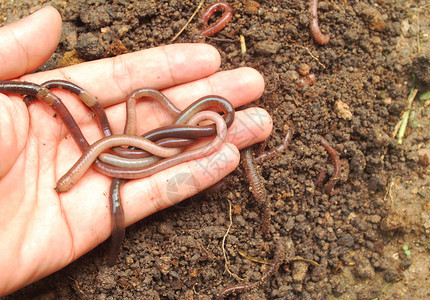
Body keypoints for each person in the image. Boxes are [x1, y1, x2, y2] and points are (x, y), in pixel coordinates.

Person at [0, 6, 272, 296]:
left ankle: (112, 252)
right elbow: (107, 144)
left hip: (122, 148)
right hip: (114, 150)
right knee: (109, 154)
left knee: (113, 152)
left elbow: (112, 144)